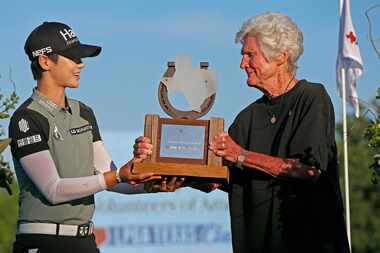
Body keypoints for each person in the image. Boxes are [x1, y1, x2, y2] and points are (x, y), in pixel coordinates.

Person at [135, 12, 350, 253]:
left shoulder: (312, 97)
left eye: (250, 55)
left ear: (280, 56)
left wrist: (241, 156)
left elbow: (309, 170)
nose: (242, 64)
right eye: (243, 55)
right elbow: (218, 178)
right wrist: (165, 169)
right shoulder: (247, 117)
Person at [9, 21, 178, 253]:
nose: (81, 64)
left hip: (85, 241)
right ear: (45, 61)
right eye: (73, 57)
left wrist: (151, 185)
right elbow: (53, 189)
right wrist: (117, 175)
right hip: (43, 243)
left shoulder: (84, 112)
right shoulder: (25, 119)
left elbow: (109, 178)